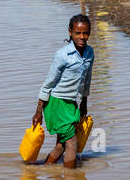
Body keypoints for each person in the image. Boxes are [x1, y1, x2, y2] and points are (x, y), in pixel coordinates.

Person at [32, 14, 94, 169]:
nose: (82, 37)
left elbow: (87, 80)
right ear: (70, 32)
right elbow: (48, 84)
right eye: (77, 33)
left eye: (85, 33)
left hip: (71, 103)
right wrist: (38, 111)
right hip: (56, 103)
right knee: (72, 142)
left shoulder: (89, 53)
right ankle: (71, 179)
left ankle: (45, 170)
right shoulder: (62, 55)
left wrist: (84, 103)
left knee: (61, 146)